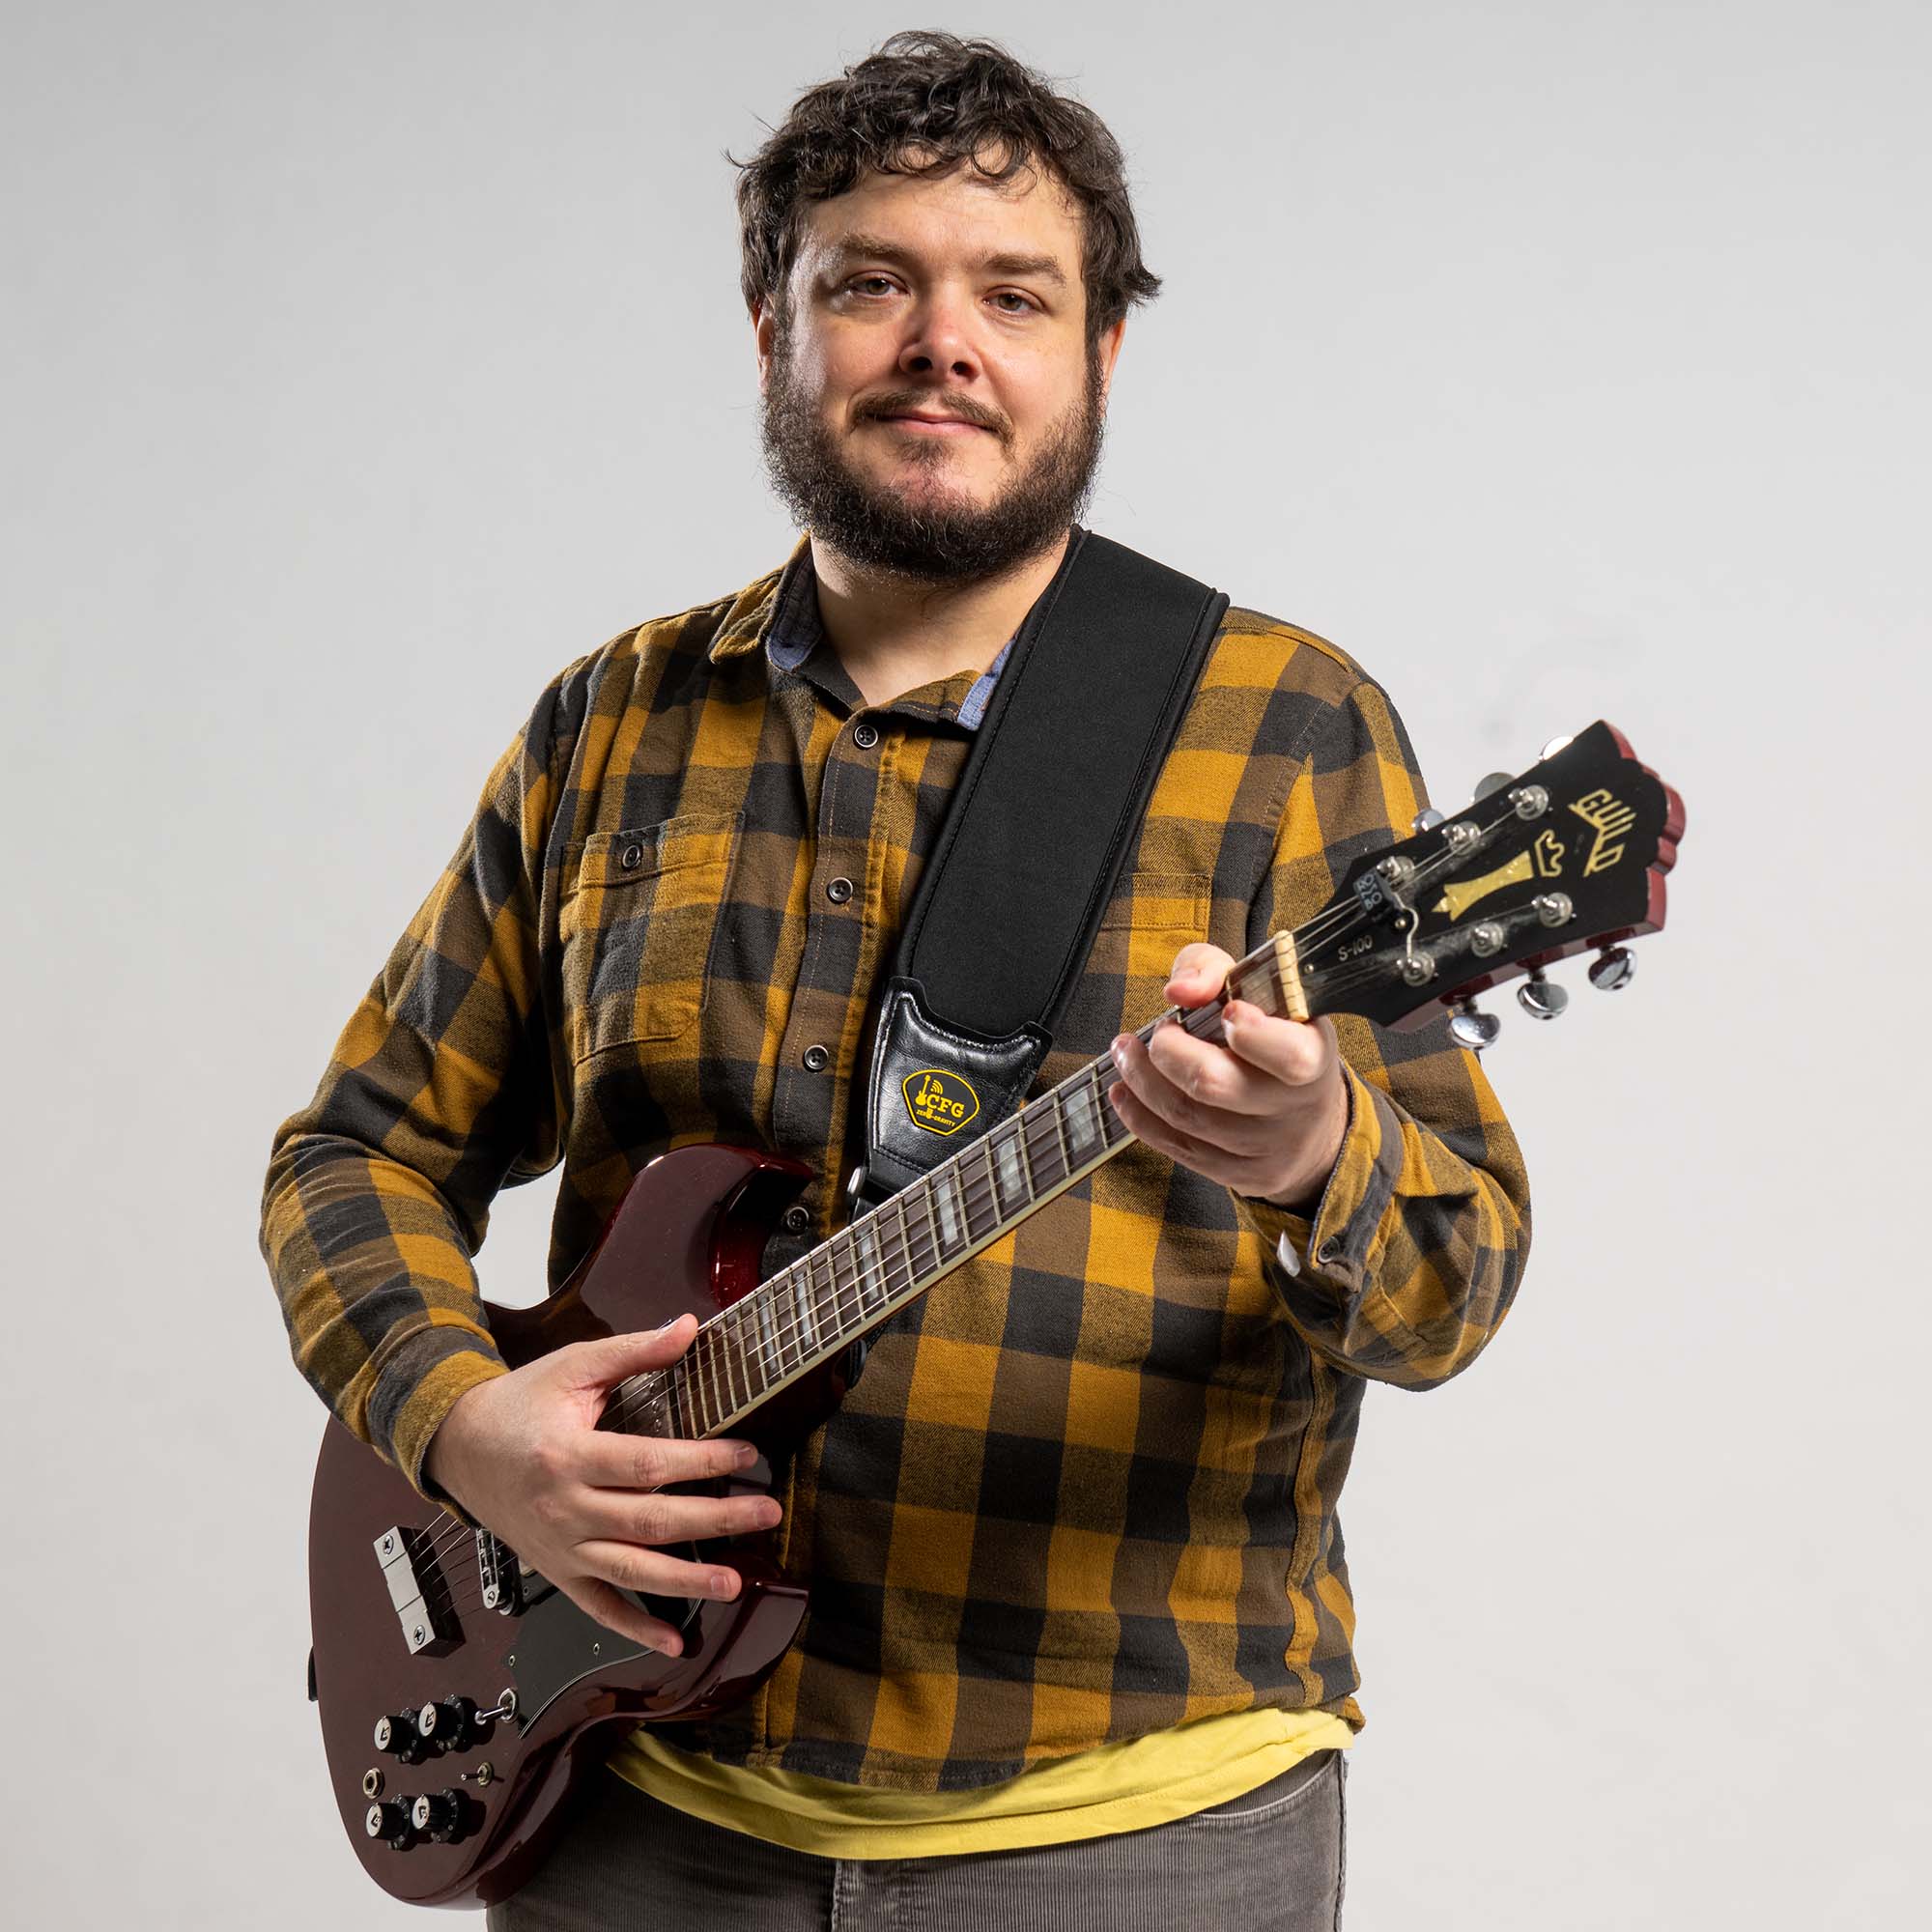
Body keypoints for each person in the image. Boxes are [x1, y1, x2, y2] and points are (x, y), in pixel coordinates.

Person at [260, 31, 1530, 1931]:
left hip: (1133, 1829)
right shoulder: (611, 722)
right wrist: (461, 1423)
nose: (945, 341)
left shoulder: (1284, 728)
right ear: (768, 321)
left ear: (1099, 353)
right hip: (629, 1787)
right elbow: (353, 1151)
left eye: (1014, 294)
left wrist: (1315, 1146)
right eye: (871, 282)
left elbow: (1454, 1274)